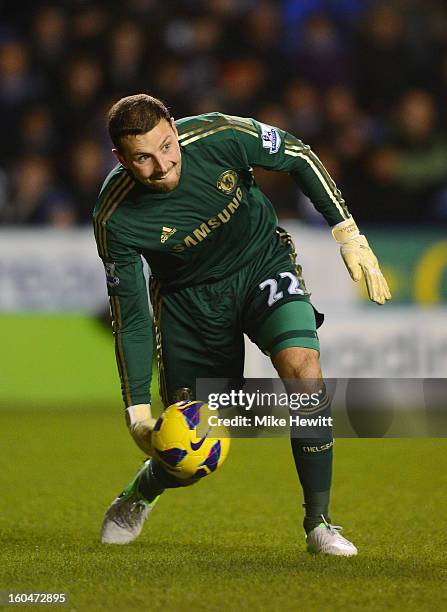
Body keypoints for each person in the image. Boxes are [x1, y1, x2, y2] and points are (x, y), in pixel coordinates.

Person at [93, 94, 391, 554]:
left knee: (303, 368)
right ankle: (139, 495)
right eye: (143, 159)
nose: (162, 166)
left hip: (262, 265)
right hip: (189, 304)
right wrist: (136, 411)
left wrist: (347, 231)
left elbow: (297, 155)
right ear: (120, 158)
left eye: (167, 147)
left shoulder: (219, 135)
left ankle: (320, 524)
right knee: (193, 445)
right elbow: (131, 314)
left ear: (174, 128)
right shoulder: (116, 218)